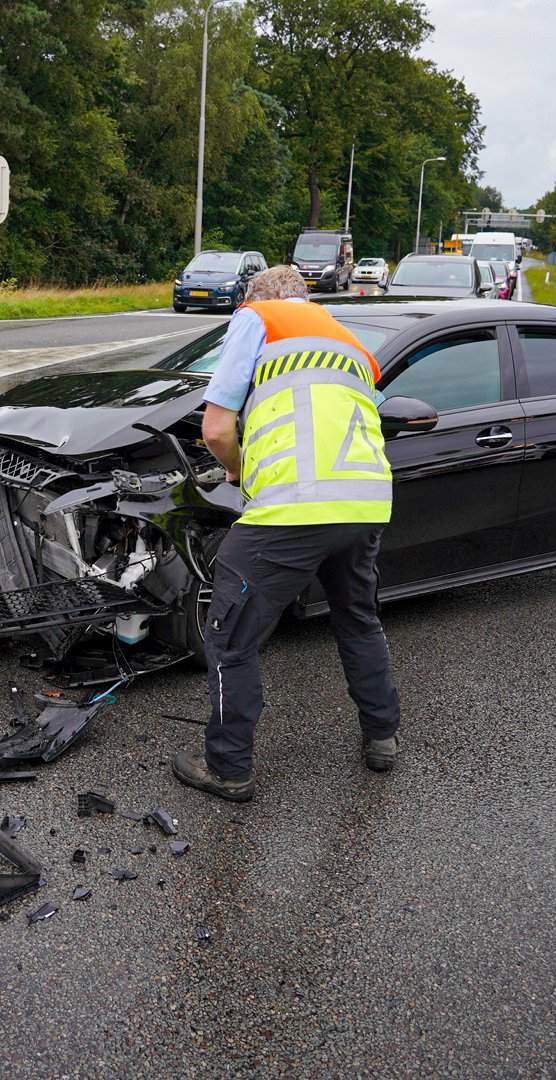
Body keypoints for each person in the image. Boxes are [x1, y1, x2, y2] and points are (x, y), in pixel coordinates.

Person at [171, 265, 404, 802]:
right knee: (358, 620)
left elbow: (215, 428)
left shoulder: (257, 318)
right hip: (364, 504)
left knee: (229, 636)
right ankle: (382, 737)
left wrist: (236, 472)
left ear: (256, 300)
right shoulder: (349, 343)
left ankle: (227, 768)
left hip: (295, 507)